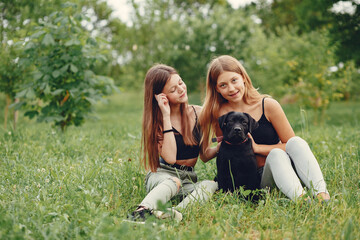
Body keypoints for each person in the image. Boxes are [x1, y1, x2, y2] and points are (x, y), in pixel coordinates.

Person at [199, 55, 330, 203]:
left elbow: (291, 146)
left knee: (293, 144)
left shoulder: (268, 105)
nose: (231, 88)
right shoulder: (218, 113)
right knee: (276, 154)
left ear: (243, 77)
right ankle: (301, 200)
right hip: (256, 181)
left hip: (280, 168)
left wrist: (257, 148)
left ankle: (321, 195)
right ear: (216, 88)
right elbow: (204, 156)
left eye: (234, 80)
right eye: (223, 85)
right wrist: (219, 146)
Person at [127, 64, 218, 223]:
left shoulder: (198, 113)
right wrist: (166, 116)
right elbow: (169, 158)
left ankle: (171, 214)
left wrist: (222, 146)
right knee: (173, 181)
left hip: (188, 178)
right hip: (163, 176)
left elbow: (204, 155)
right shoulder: (157, 122)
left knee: (210, 185)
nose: (181, 89)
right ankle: (140, 212)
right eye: (173, 90)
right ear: (161, 97)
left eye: (180, 83)